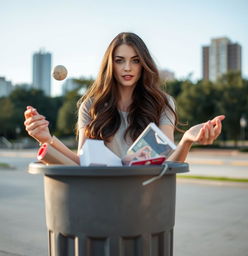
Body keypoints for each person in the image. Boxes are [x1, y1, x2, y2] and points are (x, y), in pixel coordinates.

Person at [24, 32, 225, 164]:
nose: (127, 68)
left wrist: (187, 140)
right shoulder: (91, 105)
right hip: (100, 200)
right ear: (110, 65)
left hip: (145, 203)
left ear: (143, 64)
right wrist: (47, 139)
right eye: (120, 61)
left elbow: (168, 162)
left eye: (135, 61)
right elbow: (82, 162)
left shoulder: (162, 103)